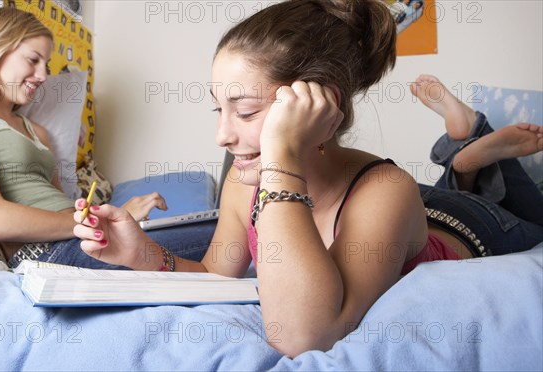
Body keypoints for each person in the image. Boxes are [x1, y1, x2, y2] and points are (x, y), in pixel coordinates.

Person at [71, 0, 543, 357]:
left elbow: (305, 335)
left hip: (465, 225)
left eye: (247, 111)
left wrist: (280, 158)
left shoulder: (384, 189)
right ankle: (464, 153)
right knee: (453, 178)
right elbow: (217, 274)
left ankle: (469, 153)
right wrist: (143, 254)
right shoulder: (242, 181)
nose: (221, 135)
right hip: (379, 208)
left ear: (321, 106)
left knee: (529, 214)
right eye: (220, 110)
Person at [0, 7, 167, 267]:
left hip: (82, 237)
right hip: (45, 251)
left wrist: (98, 220)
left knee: (201, 238)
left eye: (46, 65)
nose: (43, 76)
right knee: (211, 246)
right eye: (33, 60)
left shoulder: (38, 131)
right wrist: (96, 220)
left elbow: (64, 206)